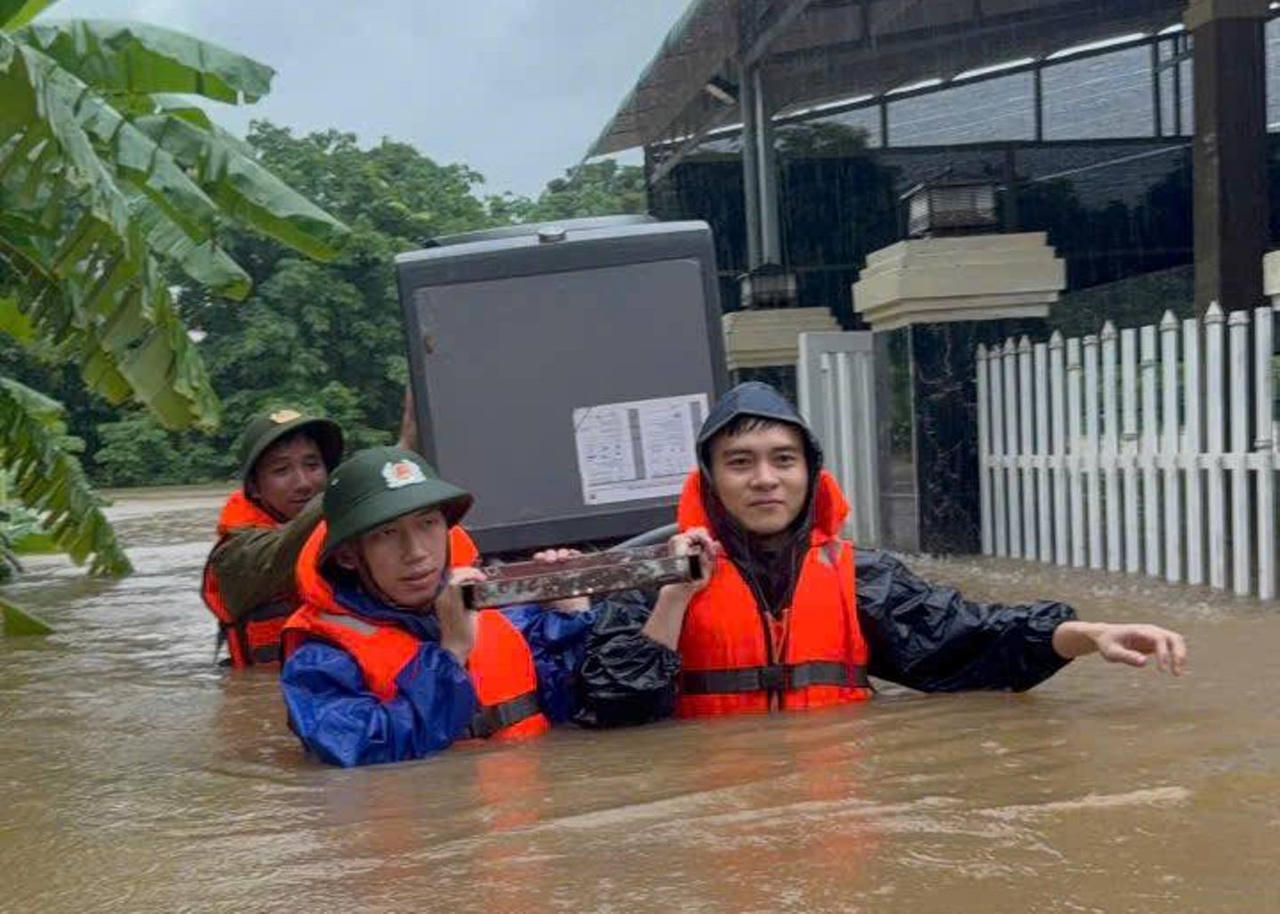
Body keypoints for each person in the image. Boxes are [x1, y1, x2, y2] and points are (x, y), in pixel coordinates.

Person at [576, 382, 1187, 725]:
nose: (765, 479)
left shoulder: (860, 576)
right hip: (710, 810)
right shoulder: (654, 580)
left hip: (837, 807)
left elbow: (970, 641)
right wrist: (676, 596)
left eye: (783, 461)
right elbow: (613, 707)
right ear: (710, 481)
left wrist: (1089, 633)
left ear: (809, 475)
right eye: (741, 463)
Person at [279, 447, 594, 767]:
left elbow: (580, 705)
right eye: (386, 533)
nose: (415, 552)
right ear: (348, 556)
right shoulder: (319, 660)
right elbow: (360, 752)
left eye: (427, 524)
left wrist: (572, 617)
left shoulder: (502, 614)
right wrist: (452, 653)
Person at [201, 403, 476, 668]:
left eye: (312, 465)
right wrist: (362, 491)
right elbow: (283, 550)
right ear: (255, 488)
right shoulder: (233, 557)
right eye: (281, 470)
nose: (303, 483)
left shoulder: (362, 539)